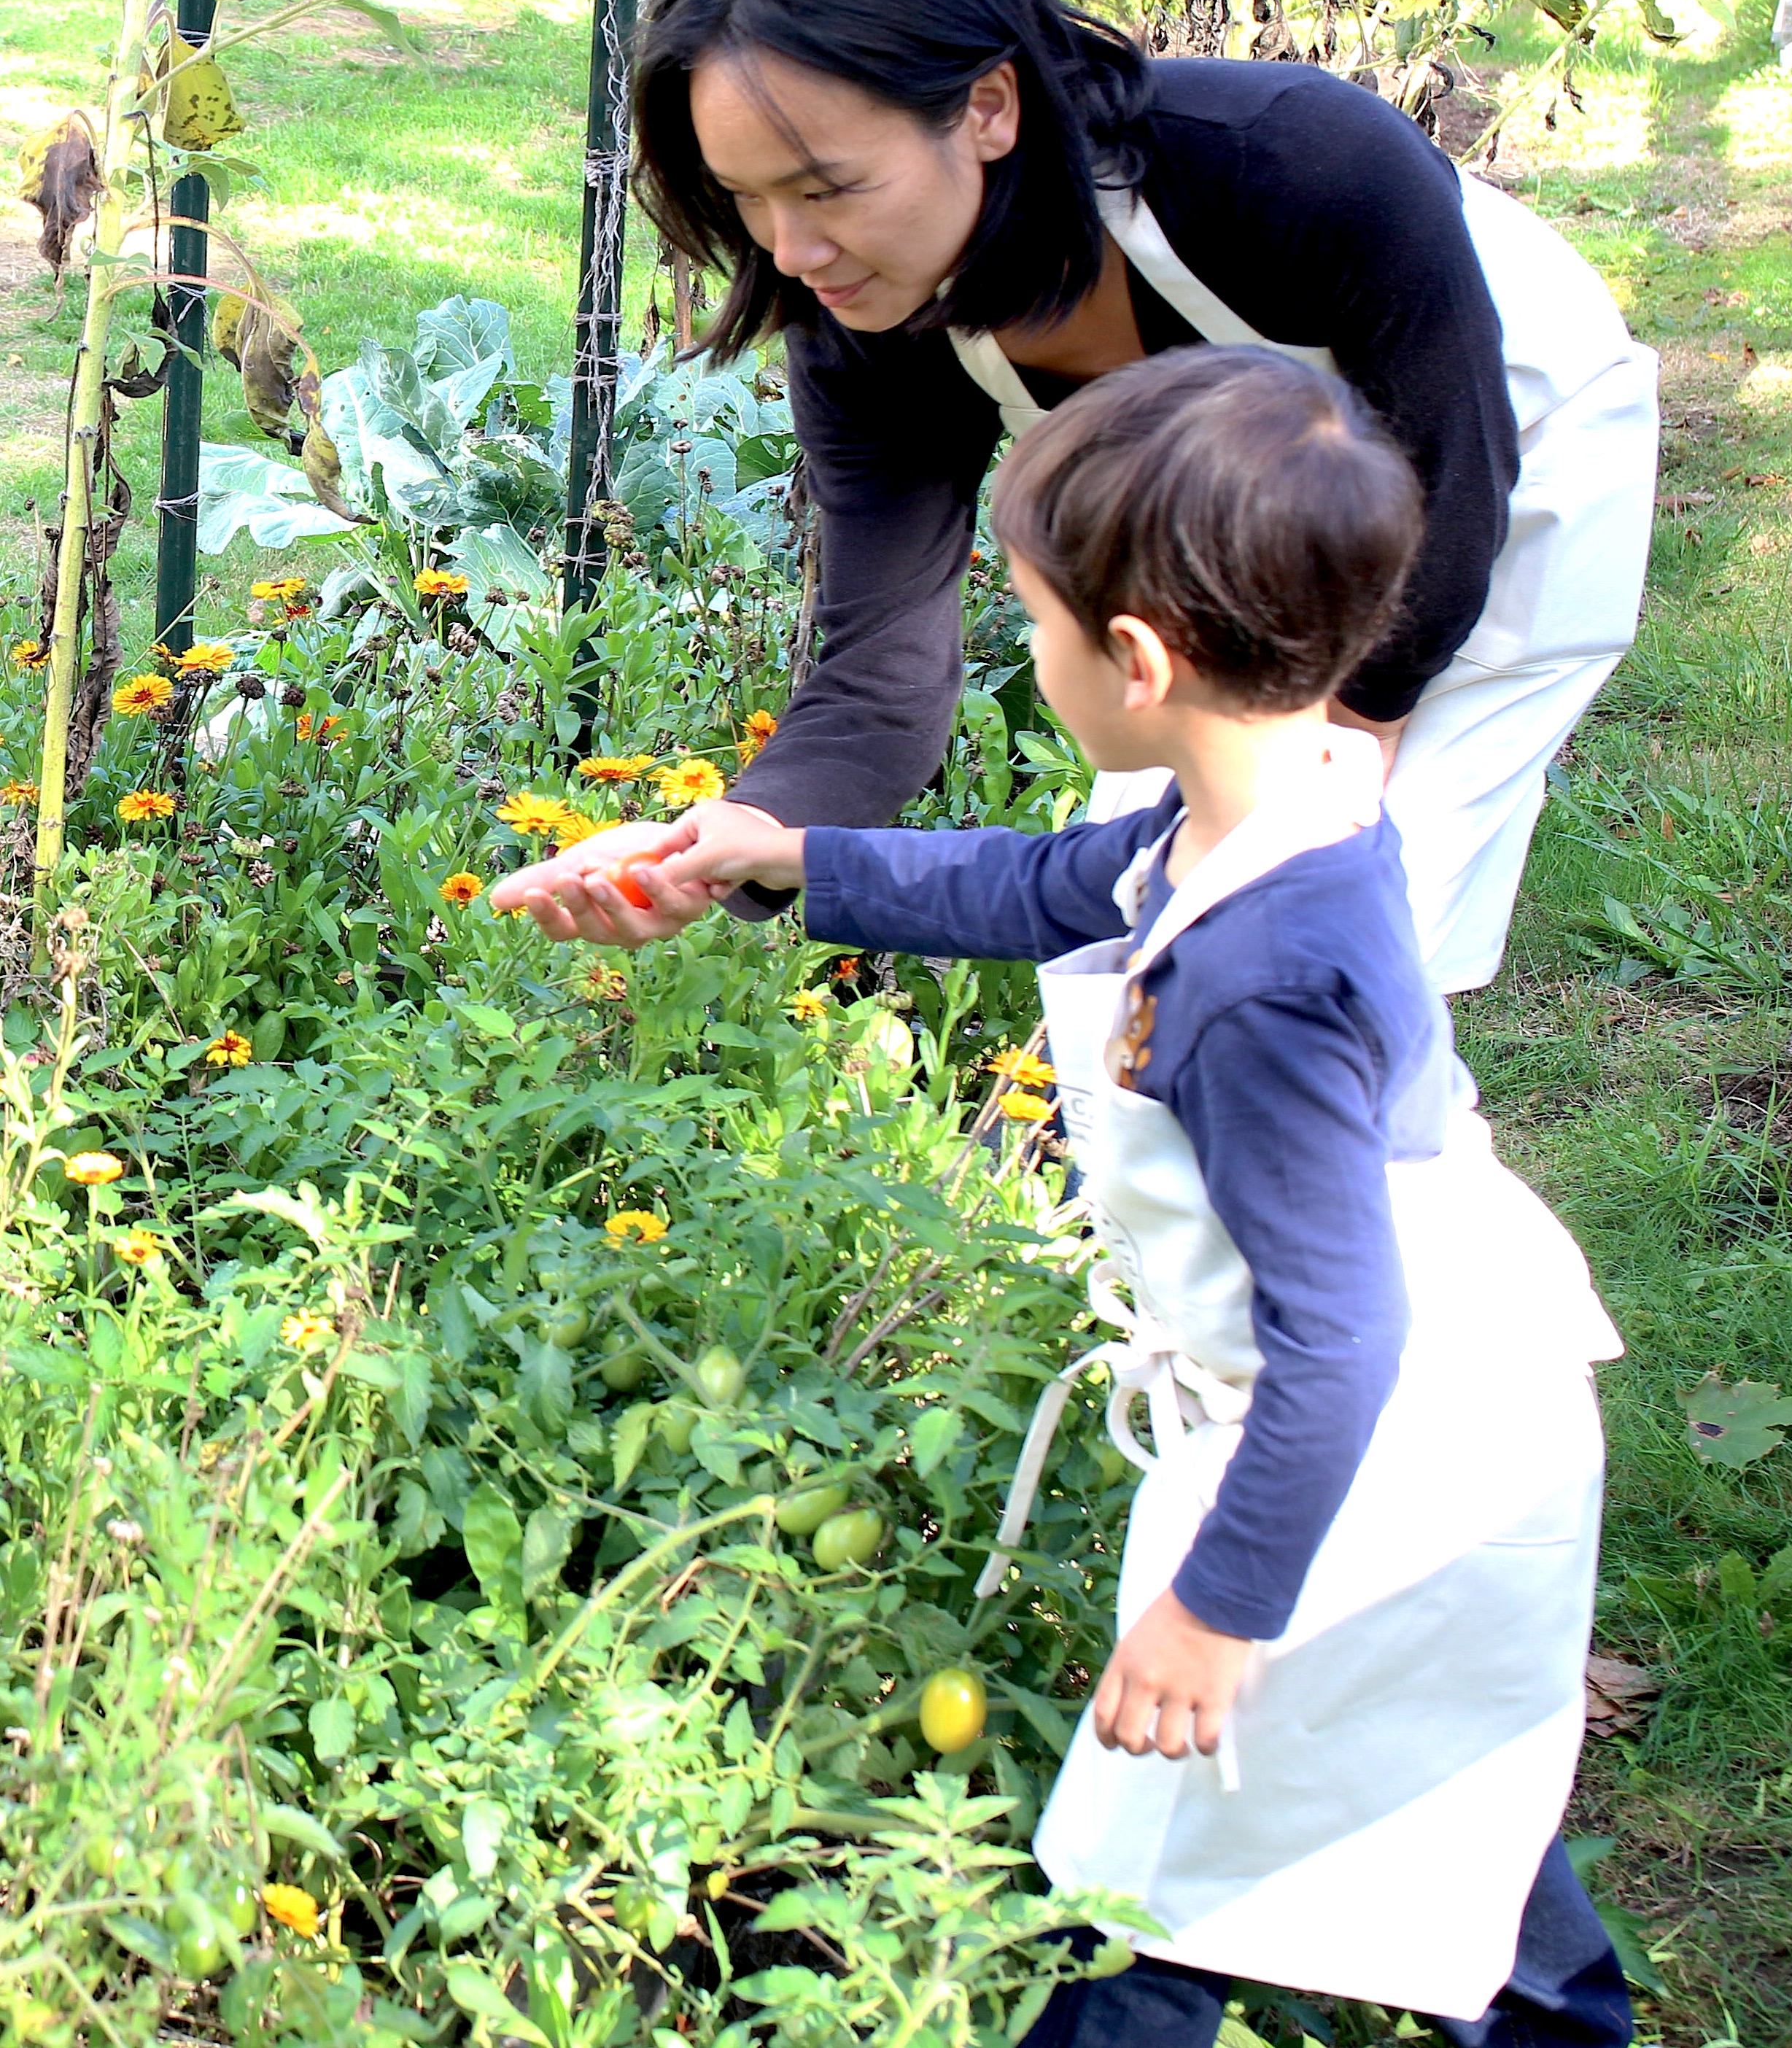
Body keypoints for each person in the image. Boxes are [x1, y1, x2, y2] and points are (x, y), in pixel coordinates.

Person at [496, 349, 1632, 2045]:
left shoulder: (1266, 979)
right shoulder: (1276, 801)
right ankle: (1563, 2019)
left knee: (1146, 1882)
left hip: (1376, 1448)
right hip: (1388, 1424)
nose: (1025, 657)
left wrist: (1213, 1608)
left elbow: (1341, 1338)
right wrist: (772, 853)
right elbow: (1049, 879)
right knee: (1432, 1781)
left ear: (1141, 660)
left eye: (1029, 623)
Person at [563, 0, 1657, 993]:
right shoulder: (861, 318)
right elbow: (884, 670)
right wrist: (734, 843)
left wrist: (1329, 767)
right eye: (748, 197)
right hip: (1219, 512)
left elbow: (1452, 498)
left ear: (988, 106)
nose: (790, 250)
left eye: (826, 188)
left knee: (1336, 946)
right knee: (1117, 959)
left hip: (1501, 458)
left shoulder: (1297, 164)